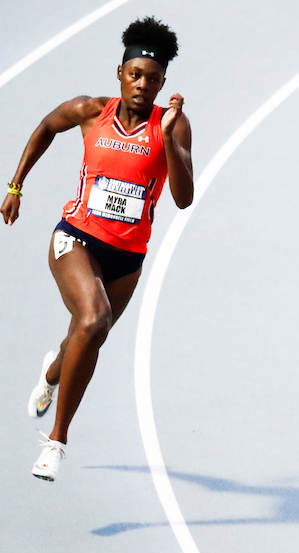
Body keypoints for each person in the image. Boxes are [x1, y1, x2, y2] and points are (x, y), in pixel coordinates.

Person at [2, 17, 193, 481]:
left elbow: (183, 197)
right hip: (75, 237)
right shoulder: (91, 112)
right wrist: (16, 186)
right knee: (93, 319)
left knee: (87, 334)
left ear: (163, 82)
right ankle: (56, 442)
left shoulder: (172, 124)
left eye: (152, 78)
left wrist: (168, 139)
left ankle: (52, 374)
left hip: (127, 258)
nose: (142, 84)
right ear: (120, 74)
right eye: (134, 74)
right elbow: (48, 125)